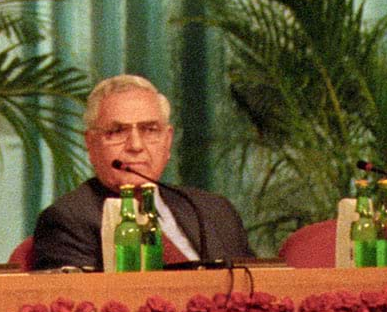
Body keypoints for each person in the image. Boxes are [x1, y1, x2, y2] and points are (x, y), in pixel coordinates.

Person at [30, 74, 251, 268]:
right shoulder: (68, 220)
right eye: (117, 131)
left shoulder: (213, 210)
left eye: (150, 130)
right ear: (91, 144)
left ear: (167, 141)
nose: (135, 145)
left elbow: (256, 291)